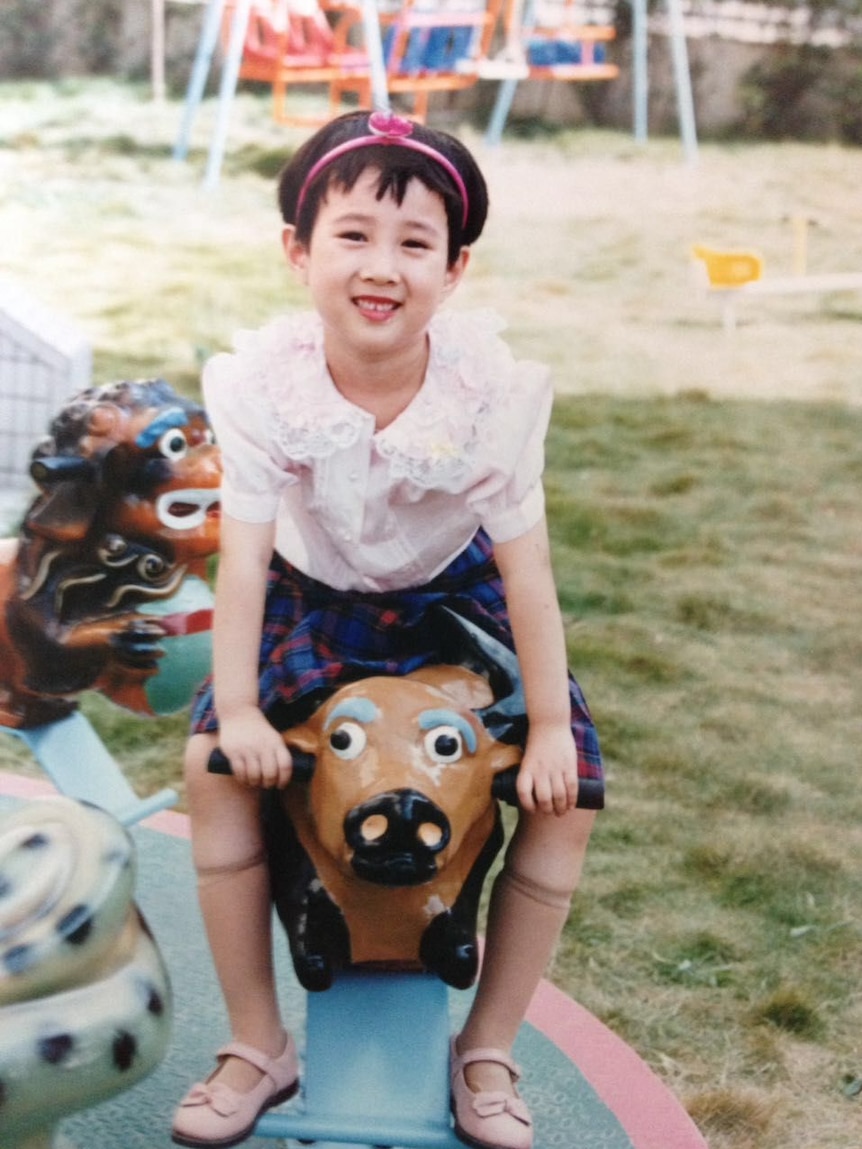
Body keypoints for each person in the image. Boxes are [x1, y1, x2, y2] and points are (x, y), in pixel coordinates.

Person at [171, 109, 603, 1149]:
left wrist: (546, 725)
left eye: (415, 245)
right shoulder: (264, 387)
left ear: (454, 271)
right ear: (298, 251)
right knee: (212, 770)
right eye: (354, 234)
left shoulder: (489, 395)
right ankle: (256, 1038)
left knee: (569, 796)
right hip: (307, 600)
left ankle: (488, 1045)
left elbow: (527, 575)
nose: (383, 266)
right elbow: (245, 560)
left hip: (453, 605)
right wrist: (236, 708)